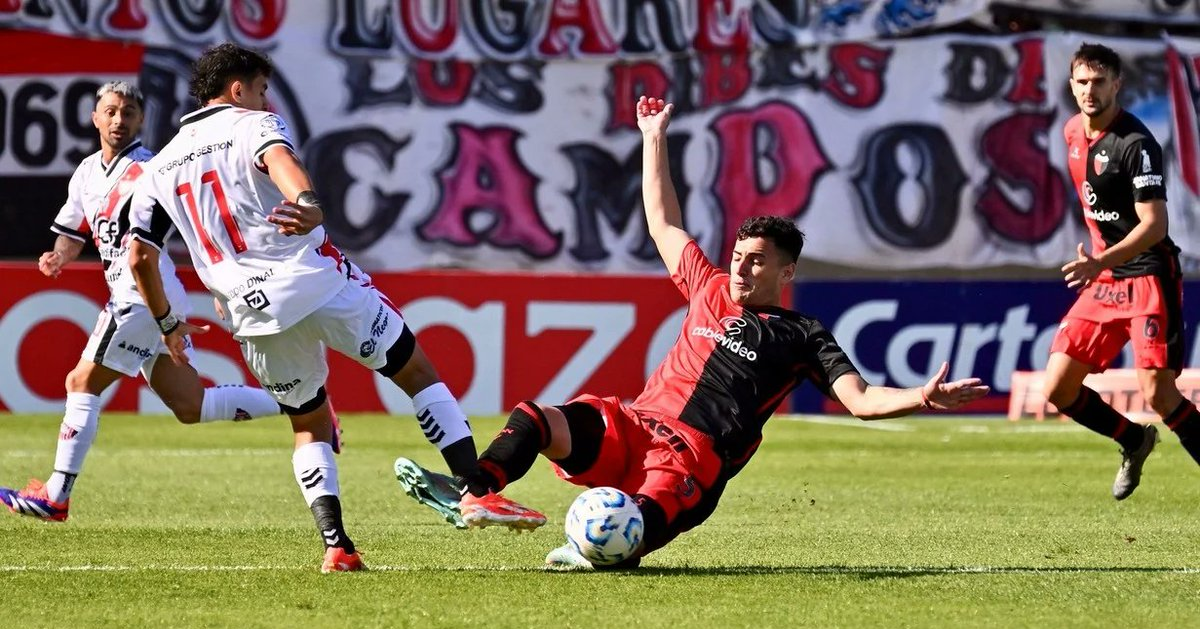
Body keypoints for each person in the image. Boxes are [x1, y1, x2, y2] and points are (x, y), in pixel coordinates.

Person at [394, 95, 990, 570]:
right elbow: (663, 222)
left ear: (787, 271)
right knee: (537, 418)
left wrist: (918, 397)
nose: (741, 265)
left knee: (621, 538)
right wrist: (654, 141)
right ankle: (476, 491)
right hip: (633, 425)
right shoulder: (706, 284)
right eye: (738, 253)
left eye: (758, 259)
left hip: (689, 462)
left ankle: (597, 551)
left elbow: (860, 400)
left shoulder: (802, 335)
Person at [124, 43, 543, 573]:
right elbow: (282, 163)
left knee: (309, 423)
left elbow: (140, 256)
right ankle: (476, 489)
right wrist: (305, 204)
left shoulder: (158, 169)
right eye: (259, 88)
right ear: (237, 89)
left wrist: (166, 323)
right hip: (312, 280)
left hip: (249, 313)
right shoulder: (254, 125)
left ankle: (337, 547)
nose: (263, 98)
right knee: (415, 372)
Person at [0, 82, 288, 523]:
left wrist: (218, 285)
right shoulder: (85, 173)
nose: (120, 121)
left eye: (129, 112)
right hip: (149, 297)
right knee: (191, 406)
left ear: (140, 119)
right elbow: (73, 231)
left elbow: (194, 226)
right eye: (111, 112)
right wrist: (59, 255)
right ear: (96, 118)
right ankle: (303, 406)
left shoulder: (153, 169)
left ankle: (56, 495)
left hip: (141, 293)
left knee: (81, 383)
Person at [1044, 42, 1199, 500]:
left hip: (1148, 274)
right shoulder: (1073, 132)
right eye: (1082, 82)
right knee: (1058, 387)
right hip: (1106, 279)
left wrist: (1099, 262)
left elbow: (1155, 225)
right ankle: (1134, 440)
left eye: (1099, 82)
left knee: (1159, 395)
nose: (1090, 91)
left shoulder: (1137, 146)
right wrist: (1101, 262)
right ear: (1072, 85)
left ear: (1117, 84)